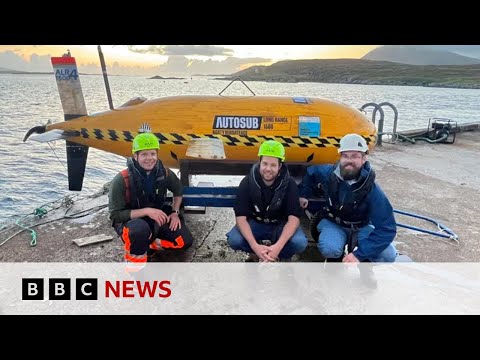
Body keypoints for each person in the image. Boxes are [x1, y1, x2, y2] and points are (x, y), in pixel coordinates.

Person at [298, 133, 397, 263]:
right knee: (330, 248)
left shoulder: (373, 191)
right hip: (334, 222)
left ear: (364, 158)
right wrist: (303, 194)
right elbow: (311, 173)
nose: (349, 160)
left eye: (355, 156)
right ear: (340, 157)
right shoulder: (328, 174)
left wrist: (359, 254)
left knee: (388, 255)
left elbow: (387, 228)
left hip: (362, 226)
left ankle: (365, 265)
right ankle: (335, 261)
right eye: (345, 156)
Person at [108, 132, 193, 269]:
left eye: (152, 154)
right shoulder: (121, 179)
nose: (149, 158)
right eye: (144, 154)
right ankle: (135, 270)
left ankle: (151, 243)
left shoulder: (164, 173)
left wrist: (175, 212)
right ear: (135, 156)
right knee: (139, 230)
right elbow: (115, 215)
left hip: (157, 219)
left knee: (184, 241)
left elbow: (178, 190)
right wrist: (147, 211)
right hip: (132, 223)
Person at [226, 140, 308, 262]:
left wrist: (278, 247)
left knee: (300, 242)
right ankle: (256, 253)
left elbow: (294, 220)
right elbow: (241, 219)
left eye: (273, 165)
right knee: (234, 239)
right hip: (256, 222)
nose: (268, 169)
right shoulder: (247, 182)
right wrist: (255, 247)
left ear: (280, 166)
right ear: (259, 162)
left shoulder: (290, 184)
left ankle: (281, 255)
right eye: (265, 163)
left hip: (280, 224)